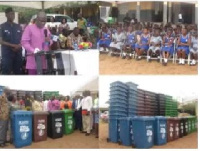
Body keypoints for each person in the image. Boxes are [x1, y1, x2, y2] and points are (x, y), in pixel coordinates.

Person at [0, 7, 23, 75]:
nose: (12, 16)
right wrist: (13, 46)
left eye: (13, 14)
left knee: (18, 72)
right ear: (6, 15)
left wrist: (19, 46)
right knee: (6, 72)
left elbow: (23, 39)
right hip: (7, 54)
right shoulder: (2, 26)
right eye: (10, 14)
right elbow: (1, 41)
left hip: (18, 54)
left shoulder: (18, 26)